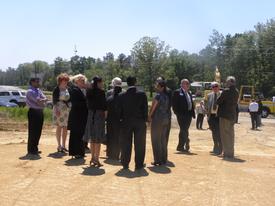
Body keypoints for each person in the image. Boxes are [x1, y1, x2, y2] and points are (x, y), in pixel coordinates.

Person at [118, 76, 148, 170]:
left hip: (126, 122)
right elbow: (145, 109)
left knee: (126, 143)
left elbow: (119, 110)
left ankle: (125, 163)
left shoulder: (121, 95)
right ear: (135, 82)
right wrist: (145, 120)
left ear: (127, 83)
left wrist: (121, 119)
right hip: (139, 122)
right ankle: (139, 164)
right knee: (140, 143)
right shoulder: (142, 94)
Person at [83, 76, 107, 167]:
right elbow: (104, 106)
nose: (102, 84)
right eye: (101, 82)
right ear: (98, 83)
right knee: (98, 139)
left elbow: (87, 104)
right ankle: (96, 159)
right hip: (99, 116)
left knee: (92, 138)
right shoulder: (101, 92)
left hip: (90, 115)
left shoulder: (89, 92)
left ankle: (93, 158)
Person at [148, 79, 171, 166]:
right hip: (165, 119)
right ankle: (164, 159)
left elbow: (153, 107)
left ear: (161, 87)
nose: (155, 86)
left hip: (157, 120)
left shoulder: (157, 96)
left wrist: (149, 116)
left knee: (155, 140)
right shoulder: (166, 96)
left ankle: (158, 160)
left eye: (157, 85)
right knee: (163, 140)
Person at [216, 76, 239, 159]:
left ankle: (226, 153)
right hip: (232, 115)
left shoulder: (226, 91)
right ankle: (231, 152)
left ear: (229, 83)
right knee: (231, 135)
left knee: (224, 135)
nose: (226, 83)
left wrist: (221, 93)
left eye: (226, 82)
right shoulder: (236, 91)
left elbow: (218, 101)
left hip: (224, 115)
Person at [68, 74, 88, 159]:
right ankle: (76, 152)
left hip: (81, 115)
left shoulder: (82, 90)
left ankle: (80, 152)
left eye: (84, 80)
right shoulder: (74, 90)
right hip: (77, 116)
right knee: (76, 134)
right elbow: (76, 103)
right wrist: (86, 103)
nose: (83, 82)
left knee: (80, 134)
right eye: (81, 80)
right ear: (76, 81)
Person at [172, 79, 195, 152]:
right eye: (186, 83)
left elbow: (190, 102)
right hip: (181, 115)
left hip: (189, 115)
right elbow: (174, 104)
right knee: (183, 129)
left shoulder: (189, 92)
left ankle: (180, 146)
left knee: (184, 130)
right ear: (182, 84)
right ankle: (187, 140)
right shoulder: (177, 92)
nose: (188, 85)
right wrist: (177, 113)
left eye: (188, 83)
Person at [26, 77, 47, 156]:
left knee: (38, 131)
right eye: (37, 81)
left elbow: (45, 98)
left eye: (39, 81)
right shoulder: (30, 91)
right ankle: (31, 150)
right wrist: (42, 101)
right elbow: (38, 101)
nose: (39, 83)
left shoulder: (39, 90)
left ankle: (35, 148)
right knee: (33, 131)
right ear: (32, 82)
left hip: (40, 112)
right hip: (33, 112)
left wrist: (42, 100)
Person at [52, 73, 71, 153]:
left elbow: (69, 99)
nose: (65, 82)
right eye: (64, 80)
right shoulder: (56, 89)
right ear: (60, 81)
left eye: (66, 80)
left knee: (66, 128)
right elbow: (54, 101)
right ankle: (59, 145)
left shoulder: (68, 89)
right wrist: (56, 110)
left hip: (66, 110)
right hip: (59, 109)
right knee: (59, 127)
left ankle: (64, 145)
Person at [106, 77, 123, 160]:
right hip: (119, 119)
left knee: (110, 135)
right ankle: (116, 153)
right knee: (117, 136)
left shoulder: (109, 96)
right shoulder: (123, 95)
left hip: (110, 118)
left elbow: (106, 107)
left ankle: (109, 153)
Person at [205, 82, 222, 155]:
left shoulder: (222, 95)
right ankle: (215, 147)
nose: (215, 88)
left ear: (219, 87)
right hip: (211, 116)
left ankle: (220, 148)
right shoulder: (209, 95)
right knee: (214, 133)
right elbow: (207, 105)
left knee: (219, 133)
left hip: (218, 116)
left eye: (216, 86)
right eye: (213, 87)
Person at [156, 76, 172, 146]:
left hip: (166, 115)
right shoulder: (158, 90)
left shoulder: (168, 91)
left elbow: (170, 104)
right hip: (158, 116)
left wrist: (165, 114)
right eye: (157, 81)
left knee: (165, 135)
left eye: (159, 81)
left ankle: (163, 152)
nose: (158, 82)